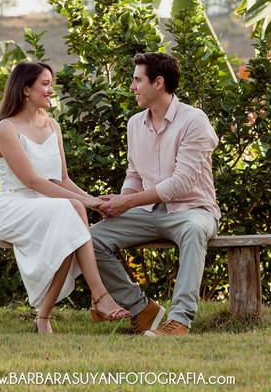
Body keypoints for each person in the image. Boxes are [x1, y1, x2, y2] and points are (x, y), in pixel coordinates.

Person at [0, 61, 130, 334]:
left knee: (67, 220)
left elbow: (62, 179)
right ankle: (99, 297)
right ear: (25, 89)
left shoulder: (52, 126)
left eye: (51, 84)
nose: (51, 90)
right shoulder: (6, 129)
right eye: (45, 84)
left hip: (51, 206)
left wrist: (95, 201)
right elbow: (32, 181)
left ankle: (45, 317)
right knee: (69, 212)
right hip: (15, 206)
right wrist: (85, 203)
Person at [92, 52, 220, 337]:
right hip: (148, 213)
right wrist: (119, 204)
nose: (132, 86)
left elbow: (181, 184)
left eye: (138, 80)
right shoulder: (134, 124)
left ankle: (179, 321)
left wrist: (128, 202)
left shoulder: (194, 121)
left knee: (194, 231)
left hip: (193, 211)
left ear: (158, 83)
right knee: (90, 240)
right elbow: (134, 174)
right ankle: (142, 309)